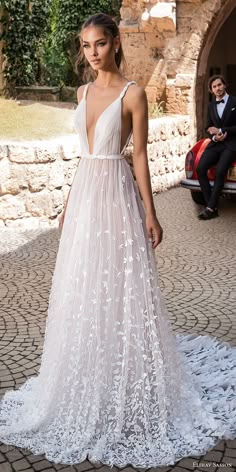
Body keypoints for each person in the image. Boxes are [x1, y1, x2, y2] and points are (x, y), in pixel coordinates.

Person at [1, 13, 236, 468]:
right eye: (86, 45)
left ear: (115, 45)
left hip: (116, 194)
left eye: (101, 44)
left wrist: (151, 212)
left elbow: (141, 156)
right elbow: (82, 156)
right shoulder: (81, 92)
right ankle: (88, 369)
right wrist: (69, 203)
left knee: (120, 284)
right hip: (86, 194)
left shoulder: (134, 94)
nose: (92, 54)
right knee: (82, 284)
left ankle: (127, 374)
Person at [197, 74, 236, 220]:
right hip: (216, 143)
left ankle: (210, 208)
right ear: (211, 90)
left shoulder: (234, 102)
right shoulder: (211, 106)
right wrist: (213, 136)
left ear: (224, 85)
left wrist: (223, 131)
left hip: (231, 144)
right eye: (214, 87)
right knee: (200, 168)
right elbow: (208, 127)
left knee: (220, 171)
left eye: (219, 85)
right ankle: (211, 205)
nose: (218, 88)